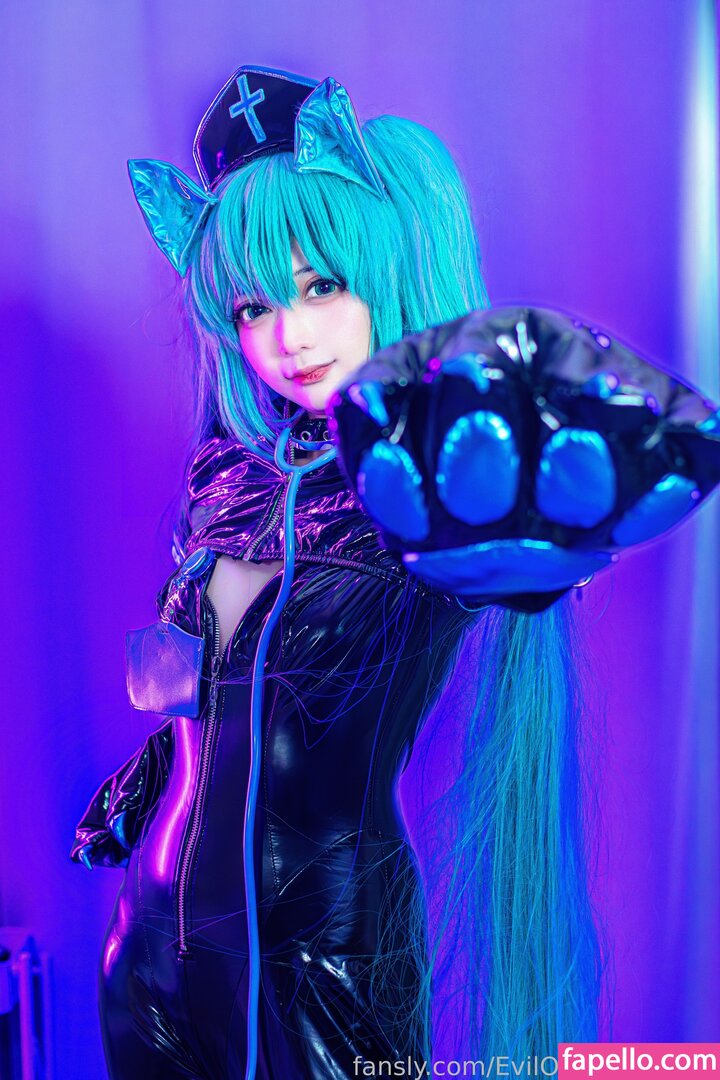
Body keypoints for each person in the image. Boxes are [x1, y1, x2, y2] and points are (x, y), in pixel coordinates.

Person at [71, 65, 720, 1079]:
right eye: (253, 305)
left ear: (387, 271)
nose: (287, 335)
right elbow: (207, 695)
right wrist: (146, 776)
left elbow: (648, 450)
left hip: (322, 962)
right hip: (146, 956)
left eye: (322, 285)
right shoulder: (228, 474)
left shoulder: (428, 488)